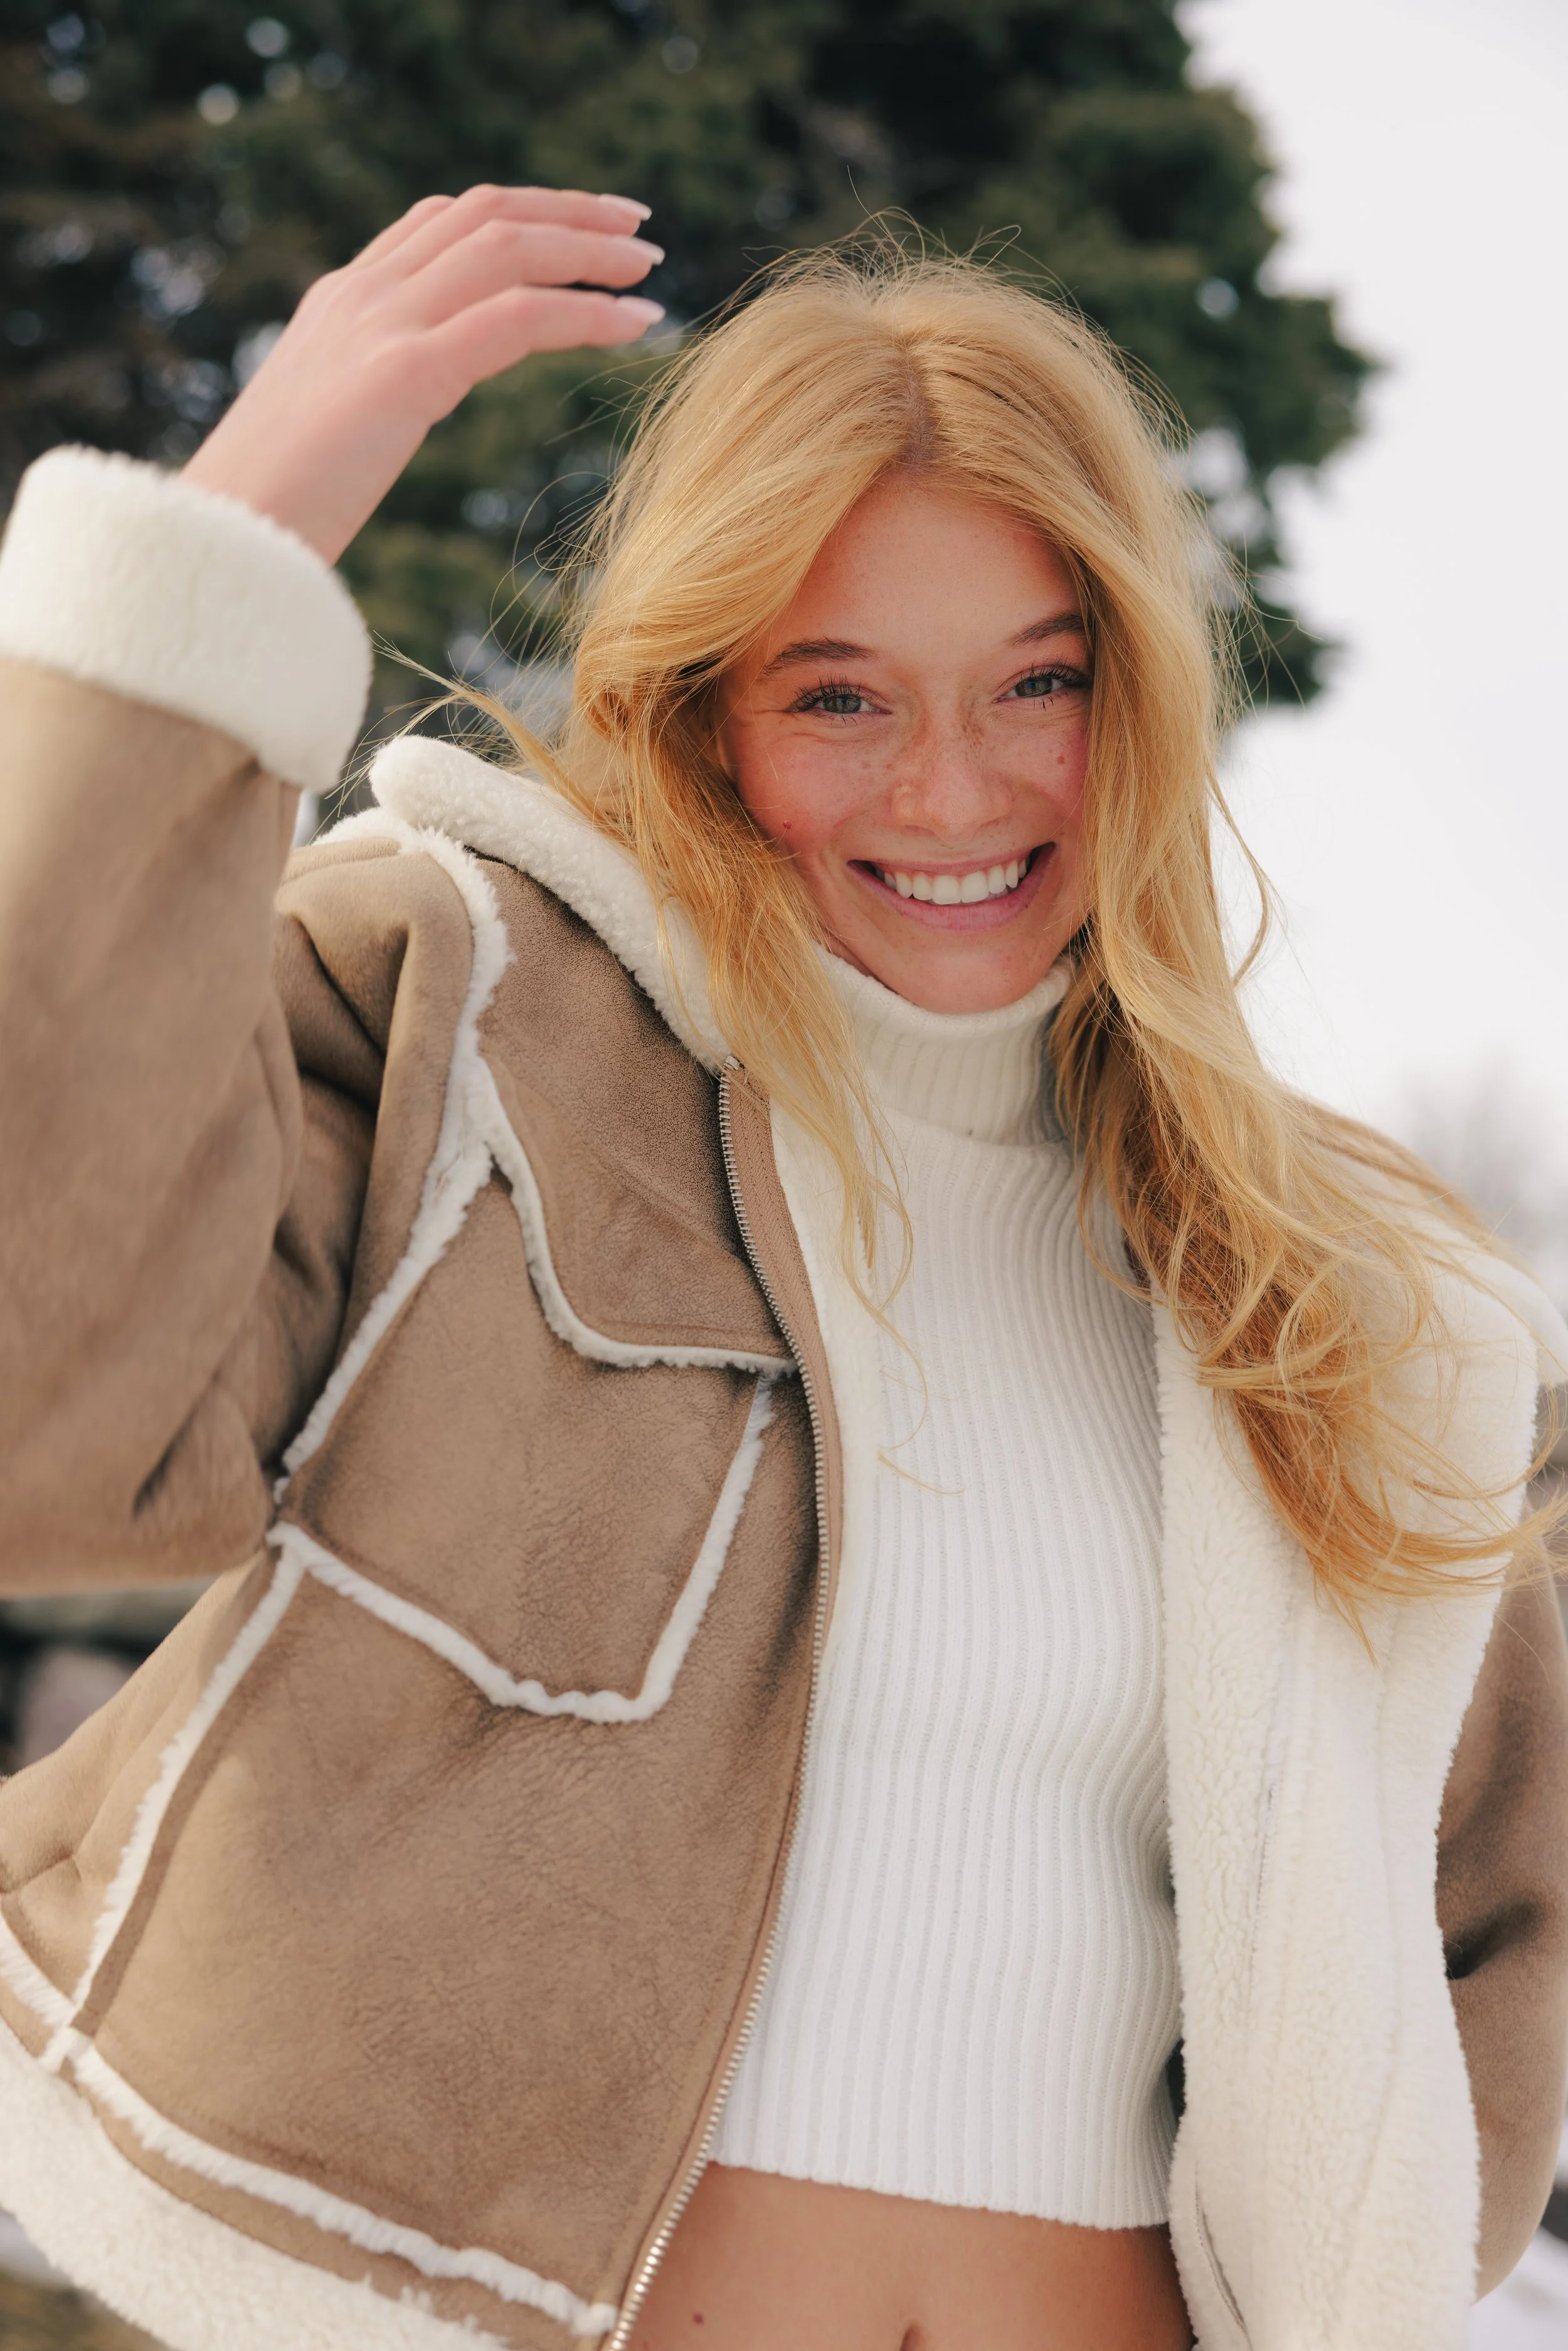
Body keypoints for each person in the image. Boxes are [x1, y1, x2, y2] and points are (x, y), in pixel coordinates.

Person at [0, 184, 1564, 2351]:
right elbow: (41, 1403)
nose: (955, 788)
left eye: (1045, 679)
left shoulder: (1351, 1301)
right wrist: (225, 548)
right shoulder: (473, 1020)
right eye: (839, 697)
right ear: (699, 711)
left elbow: (1484, 1918)